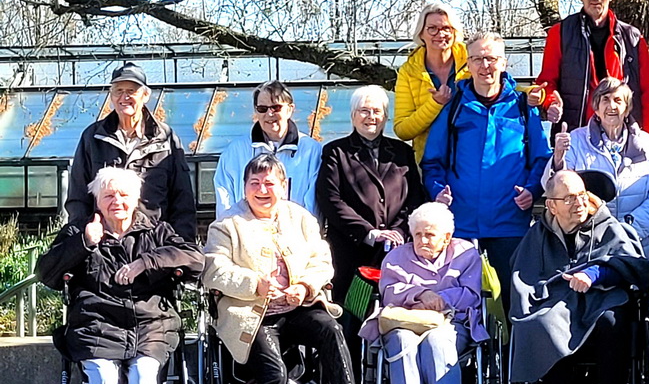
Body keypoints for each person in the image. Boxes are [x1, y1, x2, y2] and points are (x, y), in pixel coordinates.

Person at [203, 154, 377, 384]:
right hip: (252, 313)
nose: (262, 189)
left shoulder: (301, 219)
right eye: (254, 183)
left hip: (297, 305)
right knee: (274, 372)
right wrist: (254, 284)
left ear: (284, 186)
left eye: (269, 182)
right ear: (245, 188)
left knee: (330, 328)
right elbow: (214, 269)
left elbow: (322, 260)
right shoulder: (226, 225)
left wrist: (305, 286)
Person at [37, 167, 204, 384]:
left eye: (124, 195)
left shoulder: (155, 231)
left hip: (150, 324)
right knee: (104, 377)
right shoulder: (80, 231)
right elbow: (47, 273)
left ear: (136, 199)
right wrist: (83, 243)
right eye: (109, 195)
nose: (118, 201)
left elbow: (194, 258)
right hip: (97, 325)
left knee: (145, 373)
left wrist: (147, 262)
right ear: (96, 200)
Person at [510, 170, 649, 384]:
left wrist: (596, 274)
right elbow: (522, 277)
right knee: (541, 323)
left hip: (601, 301)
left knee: (612, 320)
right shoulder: (537, 236)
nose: (579, 203)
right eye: (569, 198)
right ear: (551, 205)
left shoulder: (609, 226)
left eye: (582, 195)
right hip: (555, 305)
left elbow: (634, 266)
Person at [421, 32, 551, 290]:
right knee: (456, 301)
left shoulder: (524, 107)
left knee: (516, 300)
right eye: (477, 59)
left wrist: (533, 189)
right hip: (461, 223)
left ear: (504, 62)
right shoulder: (454, 107)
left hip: (510, 223)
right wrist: (438, 192)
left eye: (491, 58)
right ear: (467, 65)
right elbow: (432, 162)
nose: (485, 66)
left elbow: (542, 159)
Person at [368, 202, 484, 384]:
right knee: (402, 340)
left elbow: (473, 295)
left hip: (451, 321)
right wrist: (419, 295)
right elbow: (387, 292)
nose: (422, 240)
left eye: (430, 235)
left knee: (437, 338)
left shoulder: (466, 254)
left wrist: (441, 300)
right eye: (417, 234)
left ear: (447, 237)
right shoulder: (396, 257)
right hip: (404, 322)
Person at [317, 85, 427, 304]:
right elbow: (330, 199)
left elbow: (415, 197)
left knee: (397, 310)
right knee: (354, 314)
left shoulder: (401, 152)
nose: (371, 117)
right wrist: (370, 233)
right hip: (352, 250)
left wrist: (398, 230)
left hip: (397, 250)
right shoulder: (336, 152)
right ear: (353, 116)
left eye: (377, 111)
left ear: (386, 116)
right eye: (364, 111)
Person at [67, 61, 196, 240]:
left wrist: (180, 250)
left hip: (154, 243)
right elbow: (78, 198)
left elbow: (183, 200)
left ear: (145, 96)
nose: (124, 97)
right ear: (111, 96)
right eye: (119, 91)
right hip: (105, 244)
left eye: (131, 91)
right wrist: (83, 240)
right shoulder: (93, 137)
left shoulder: (166, 139)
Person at [542, 77, 649, 253]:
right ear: (596, 108)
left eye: (618, 100)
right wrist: (558, 159)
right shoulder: (576, 141)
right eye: (605, 100)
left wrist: (627, 230)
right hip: (590, 242)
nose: (611, 106)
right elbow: (551, 188)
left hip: (638, 243)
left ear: (627, 108)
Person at [530, 0, 649, 135]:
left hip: (623, 134)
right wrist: (551, 101)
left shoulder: (633, 38)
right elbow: (546, 82)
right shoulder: (560, 33)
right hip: (576, 132)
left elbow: (647, 93)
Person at [214, 80, 322, 219]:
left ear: (290, 109)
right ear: (255, 111)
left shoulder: (311, 151)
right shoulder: (235, 152)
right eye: (262, 109)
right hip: (245, 235)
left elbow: (313, 205)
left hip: (294, 235)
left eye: (276, 107)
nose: (269, 114)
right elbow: (225, 199)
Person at [392, 2, 471, 160]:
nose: (440, 34)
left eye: (446, 28)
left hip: (470, 159)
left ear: (455, 32)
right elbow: (402, 131)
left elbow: (502, 87)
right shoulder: (408, 72)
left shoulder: (473, 60)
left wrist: (530, 92)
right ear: (421, 34)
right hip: (430, 163)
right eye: (432, 28)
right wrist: (435, 104)